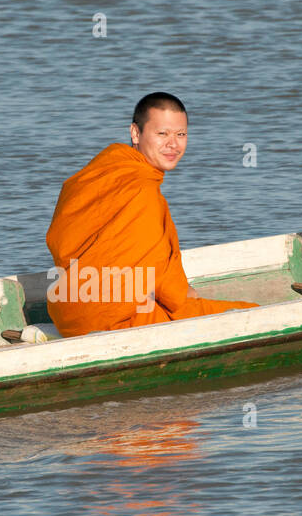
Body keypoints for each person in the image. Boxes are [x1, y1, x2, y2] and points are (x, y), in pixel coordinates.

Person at [44, 92, 257, 337]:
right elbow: (173, 293)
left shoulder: (100, 169)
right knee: (248, 312)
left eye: (181, 134)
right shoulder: (143, 192)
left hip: (66, 310)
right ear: (136, 133)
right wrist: (186, 295)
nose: (173, 145)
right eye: (162, 134)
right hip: (110, 320)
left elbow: (60, 242)